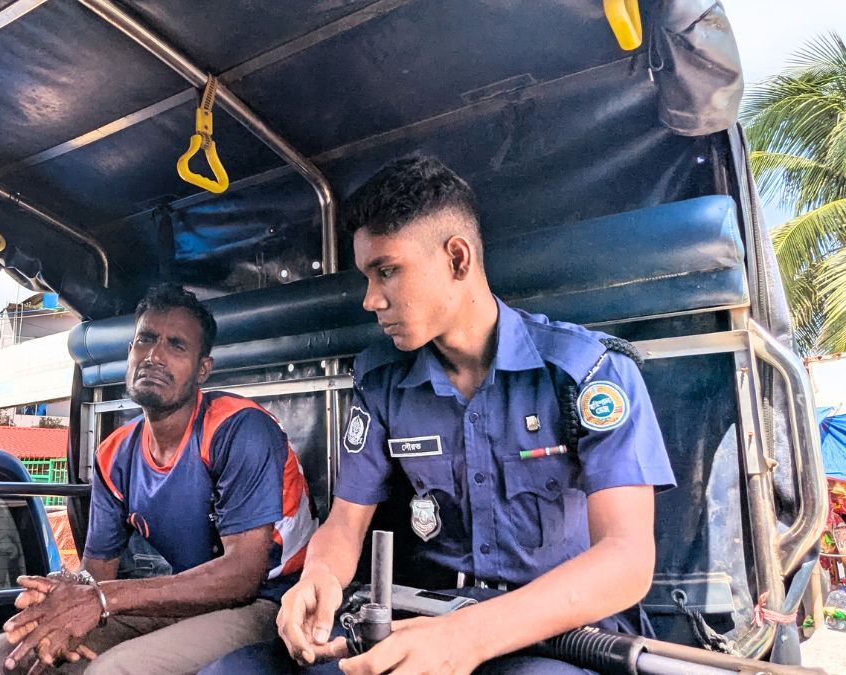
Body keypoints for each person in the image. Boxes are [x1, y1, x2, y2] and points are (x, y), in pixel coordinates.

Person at [205, 155, 676, 674]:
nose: (369, 300)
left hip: (556, 631)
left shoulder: (586, 373)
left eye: (386, 271)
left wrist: (469, 637)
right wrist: (319, 577)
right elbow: (345, 520)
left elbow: (628, 559)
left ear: (457, 259)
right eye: (367, 276)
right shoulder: (382, 382)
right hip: (425, 616)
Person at [0, 283, 316, 675]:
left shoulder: (238, 429)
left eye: (176, 346)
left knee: (114, 670)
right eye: (145, 340)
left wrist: (101, 599)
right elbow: (97, 575)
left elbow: (242, 576)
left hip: (268, 602)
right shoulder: (114, 453)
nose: (154, 355)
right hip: (182, 598)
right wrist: (66, 592)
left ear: (203, 369)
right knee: (1, 659)